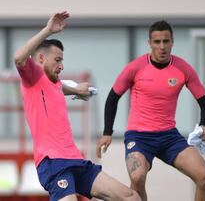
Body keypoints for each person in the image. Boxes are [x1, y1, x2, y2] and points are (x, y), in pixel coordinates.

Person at [14, 11, 141, 201]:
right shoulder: (33, 78)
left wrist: (78, 90)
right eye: (58, 60)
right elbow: (18, 58)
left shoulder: (55, 84)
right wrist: (48, 30)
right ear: (41, 59)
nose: (62, 66)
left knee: (131, 197)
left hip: (75, 159)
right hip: (52, 162)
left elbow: (59, 88)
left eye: (62, 61)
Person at [96, 20, 205, 201]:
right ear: (149, 43)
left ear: (172, 42)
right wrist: (107, 132)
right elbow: (113, 97)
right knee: (137, 178)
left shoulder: (183, 69)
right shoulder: (136, 67)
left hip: (169, 136)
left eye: (166, 41)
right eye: (157, 42)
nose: (162, 47)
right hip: (139, 136)